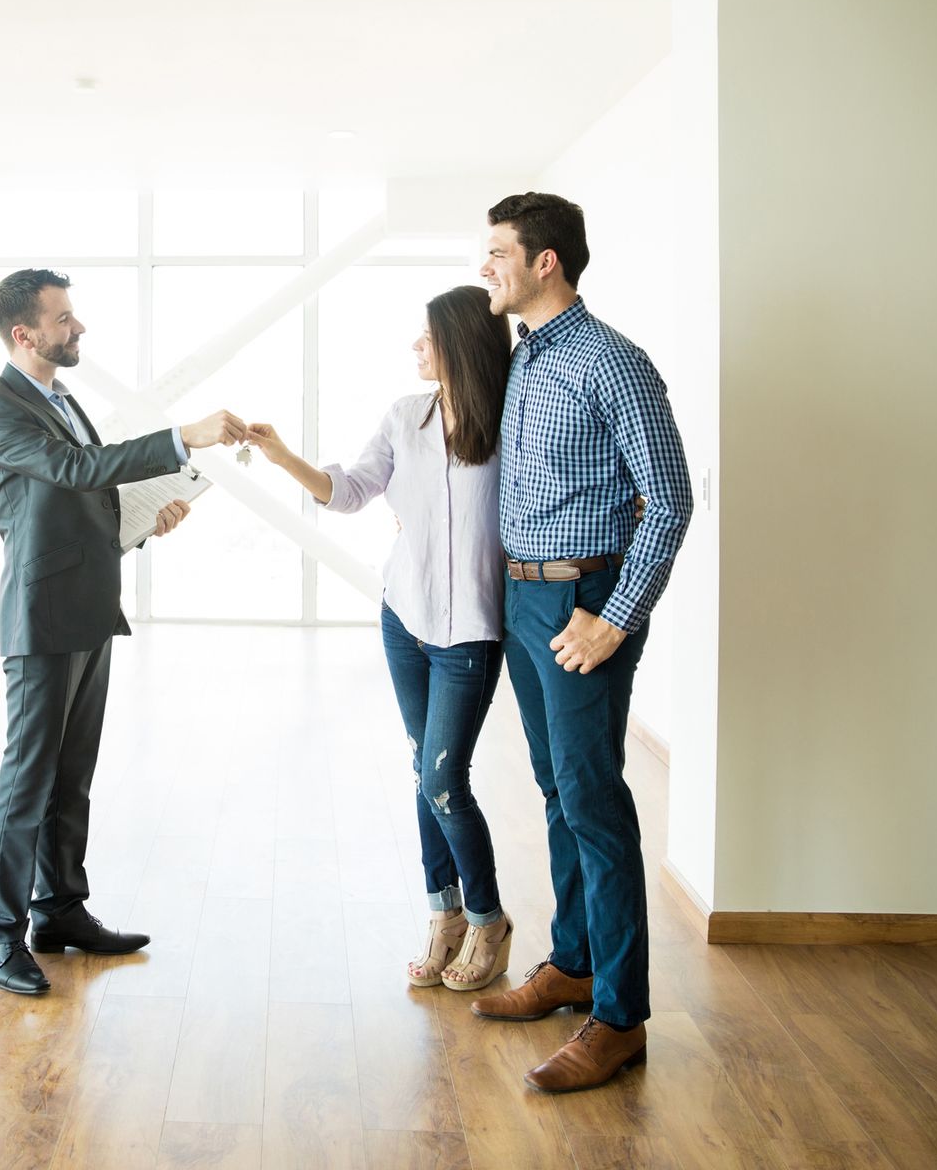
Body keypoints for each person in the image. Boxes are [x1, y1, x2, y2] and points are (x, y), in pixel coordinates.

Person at [468, 193, 692, 1094]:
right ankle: (572, 962)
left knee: (594, 802)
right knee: (558, 789)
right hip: (525, 597)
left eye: (498, 252)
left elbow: (668, 500)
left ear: (545, 261)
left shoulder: (612, 362)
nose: (485, 266)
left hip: (584, 602)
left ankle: (621, 1018)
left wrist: (615, 617)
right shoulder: (524, 356)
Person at [0, 268, 245, 996]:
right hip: (41, 620)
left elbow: (80, 498)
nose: (78, 328)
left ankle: (60, 910)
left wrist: (143, 522)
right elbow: (74, 468)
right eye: (63, 319)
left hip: (90, 607)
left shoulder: (64, 400)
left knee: (71, 778)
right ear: (24, 334)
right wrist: (181, 438)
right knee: (27, 780)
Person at [244, 284, 516, 994]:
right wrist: (282, 456)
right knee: (424, 772)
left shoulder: (512, 417)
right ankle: (444, 915)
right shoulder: (404, 416)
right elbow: (351, 490)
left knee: (444, 778)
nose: (417, 347)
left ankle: (488, 920)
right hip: (404, 618)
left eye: (428, 336)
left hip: (471, 632)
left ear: (461, 343)